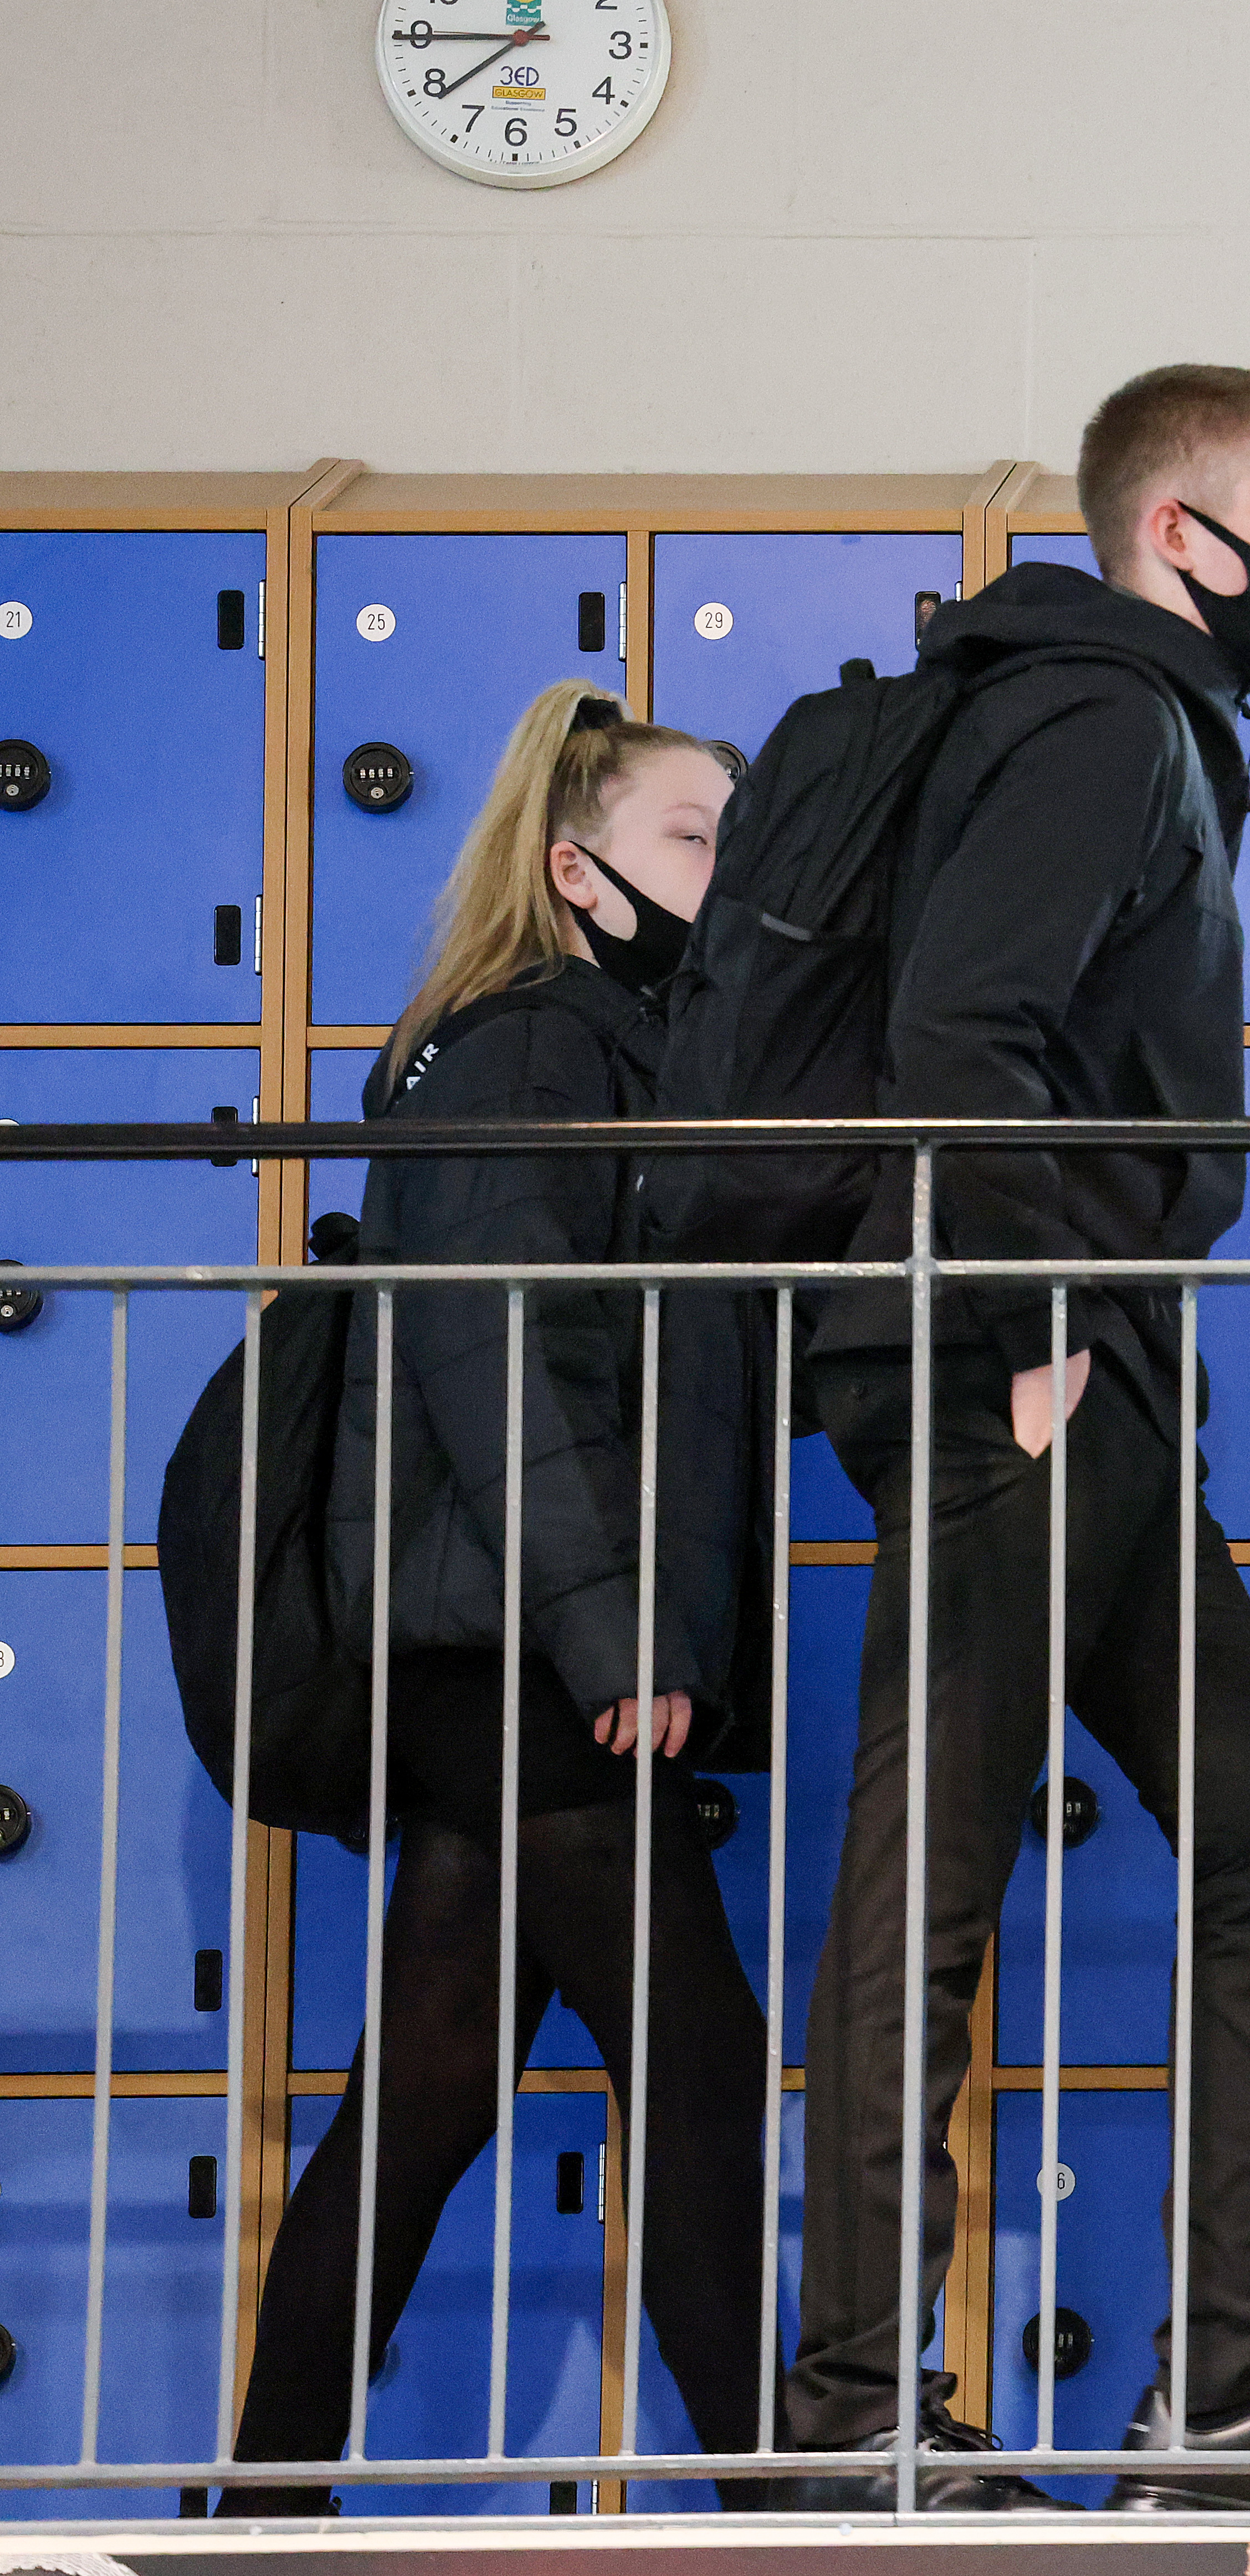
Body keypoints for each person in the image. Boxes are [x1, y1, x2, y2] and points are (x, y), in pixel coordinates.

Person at [773, 366, 1250, 2513]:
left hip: (1073, 1343)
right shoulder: (1102, 717)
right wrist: (1030, 1329)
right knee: (928, 1863)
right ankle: (856, 2413)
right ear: (1180, 537)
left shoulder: (1125, 715)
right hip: (1008, 1343)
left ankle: (1225, 2407)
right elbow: (970, 1027)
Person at [230, 681, 770, 2510]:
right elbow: (498, 1351)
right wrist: (619, 1635)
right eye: (698, 837)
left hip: (509, 1636)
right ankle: (791, 2507)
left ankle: (258, 2504)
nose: (730, 869)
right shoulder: (539, 1043)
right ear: (579, 870)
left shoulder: (614, 1054)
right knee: (698, 2050)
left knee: (437, 2078)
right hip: (520, 1641)